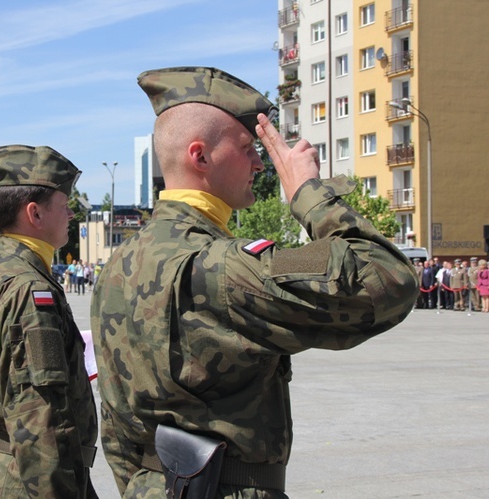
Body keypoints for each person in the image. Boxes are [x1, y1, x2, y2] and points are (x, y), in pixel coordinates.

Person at [91, 66, 419, 498]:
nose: (261, 163)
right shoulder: (225, 264)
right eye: (247, 148)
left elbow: (116, 426)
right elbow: (387, 279)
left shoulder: (118, 264)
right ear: (200, 156)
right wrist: (308, 192)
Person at [0, 144, 98, 498]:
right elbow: (41, 421)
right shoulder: (29, 291)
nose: (71, 216)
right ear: (34, 213)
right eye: (65, 207)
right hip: (25, 480)